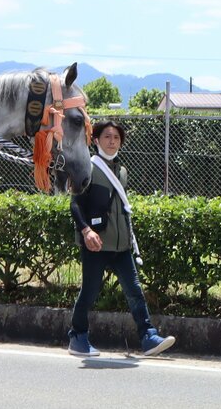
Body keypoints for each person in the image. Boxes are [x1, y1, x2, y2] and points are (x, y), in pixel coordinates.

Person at [67, 120, 175, 358]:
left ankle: (148, 336)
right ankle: (77, 336)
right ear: (95, 140)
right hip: (96, 244)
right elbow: (75, 204)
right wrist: (86, 231)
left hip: (122, 244)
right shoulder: (87, 167)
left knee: (134, 290)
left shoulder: (122, 172)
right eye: (107, 136)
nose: (112, 141)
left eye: (116, 137)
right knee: (90, 292)